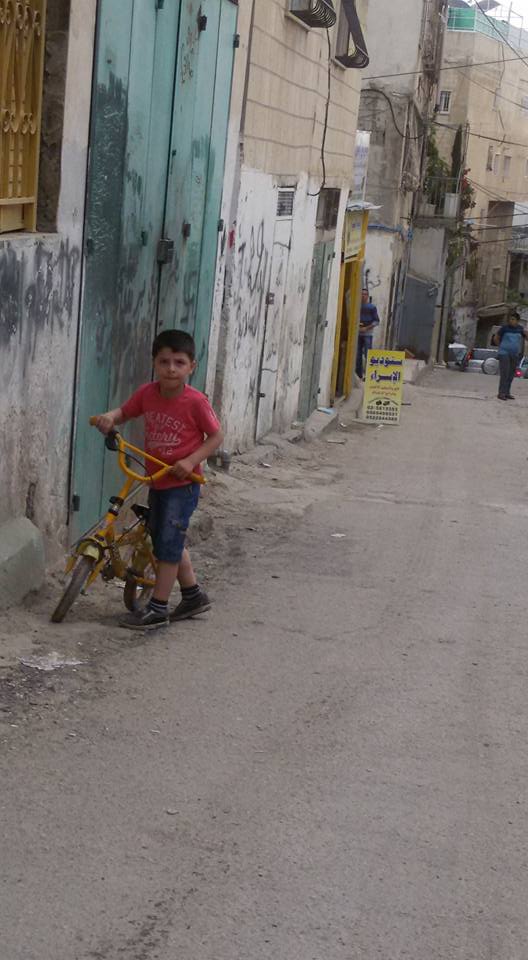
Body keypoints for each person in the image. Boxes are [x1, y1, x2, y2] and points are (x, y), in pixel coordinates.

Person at [93, 329, 224, 630]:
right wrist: (109, 417)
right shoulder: (147, 394)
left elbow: (216, 436)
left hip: (183, 484)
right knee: (167, 539)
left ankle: (158, 608)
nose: (171, 369)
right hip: (157, 480)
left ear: (191, 366)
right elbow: (126, 411)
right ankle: (192, 596)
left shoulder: (195, 401)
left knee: (167, 544)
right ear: (154, 362)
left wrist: (190, 461)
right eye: (164, 361)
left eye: (179, 362)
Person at [492, 312, 528, 401]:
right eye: (510, 319)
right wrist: (501, 347)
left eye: (513, 319)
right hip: (504, 353)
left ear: (517, 321)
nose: (511, 321)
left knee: (511, 374)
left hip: (515, 354)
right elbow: (496, 338)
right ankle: (501, 393)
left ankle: (507, 392)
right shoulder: (504, 328)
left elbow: (526, 338)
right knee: (505, 373)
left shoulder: (520, 329)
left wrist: (526, 332)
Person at [356, 289, 380, 379]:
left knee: (368, 355)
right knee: (357, 355)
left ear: (367, 296)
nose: (363, 296)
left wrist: (366, 328)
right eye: (361, 294)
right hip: (358, 334)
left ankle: (368, 375)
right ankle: (358, 374)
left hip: (367, 334)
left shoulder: (372, 307)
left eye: (365, 294)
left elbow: (376, 321)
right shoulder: (356, 306)